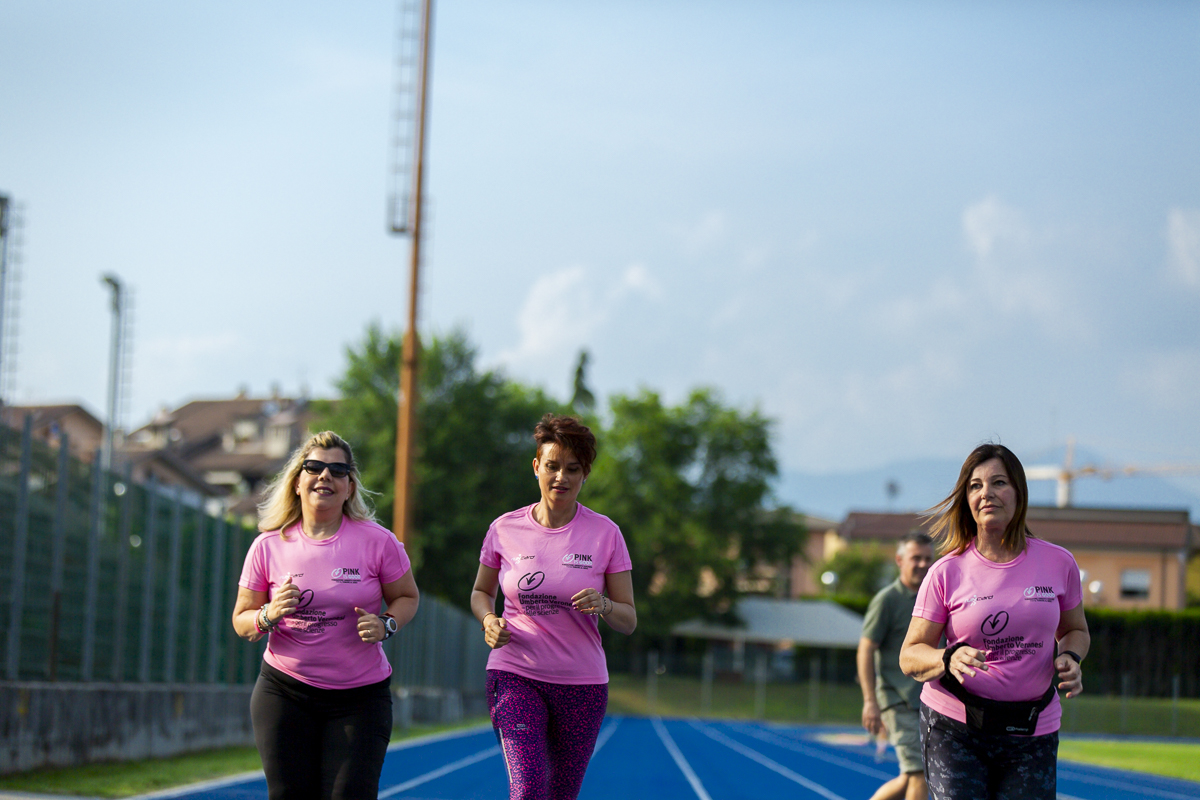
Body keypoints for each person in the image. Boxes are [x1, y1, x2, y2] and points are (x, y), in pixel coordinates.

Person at [232, 431, 419, 800]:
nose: (325, 476)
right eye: (314, 467)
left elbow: (407, 597)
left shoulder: (378, 542)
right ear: (298, 482)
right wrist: (269, 614)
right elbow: (242, 620)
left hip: (359, 699)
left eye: (337, 470)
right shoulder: (268, 545)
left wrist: (386, 624)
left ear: (349, 487)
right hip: (284, 692)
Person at [899, 444, 1089, 800]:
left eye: (999, 482)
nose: (986, 493)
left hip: (1033, 732)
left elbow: (1076, 631)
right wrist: (946, 658)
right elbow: (910, 655)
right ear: (967, 499)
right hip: (956, 729)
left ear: (1019, 492)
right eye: (975, 486)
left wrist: (1071, 658)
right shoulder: (946, 572)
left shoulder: (1059, 563)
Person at [470, 413, 636, 800]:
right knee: (528, 790)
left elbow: (628, 620)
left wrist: (605, 604)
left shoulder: (606, 534)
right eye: (552, 466)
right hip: (515, 675)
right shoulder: (504, 529)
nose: (561, 477)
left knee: (560, 794)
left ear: (585, 475)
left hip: (582, 686)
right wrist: (489, 618)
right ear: (536, 467)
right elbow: (480, 591)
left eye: (572, 469)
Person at [858, 531, 935, 800]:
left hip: (930, 701)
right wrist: (870, 700)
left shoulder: (935, 598)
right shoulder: (887, 599)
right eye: (916, 558)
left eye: (928, 558)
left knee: (912, 776)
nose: (923, 564)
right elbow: (866, 648)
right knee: (918, 775)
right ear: (899, 560)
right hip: (899, 699)